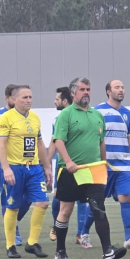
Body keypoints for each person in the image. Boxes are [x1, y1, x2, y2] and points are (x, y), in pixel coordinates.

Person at [51, 78, 126, 259]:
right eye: (82, 89)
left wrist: (103, 164)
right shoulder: (66, 115)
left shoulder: (96, 115)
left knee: (99, 209)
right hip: (70, 171)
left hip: (93, 172)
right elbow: (58, 141)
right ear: (73, 93)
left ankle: (107, 251)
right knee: (66, 211)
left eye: (88, 89)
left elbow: (101, 143)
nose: (86, 92)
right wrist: (68, 161)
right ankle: (60, 250)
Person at [0, 85, 52, 258]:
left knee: (43, 202)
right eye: (24, 97)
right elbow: (0, 144)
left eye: (30, 97)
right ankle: (10, 245)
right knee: (12, 207)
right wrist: (5, 169)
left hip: (34, 168)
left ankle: (32, 242)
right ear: (14, 100)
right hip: (15, 167)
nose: (29, 100)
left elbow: (40, 143)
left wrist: (47, 166)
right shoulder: (6, 118)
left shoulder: (35, 118)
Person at [88, 80, 130, 250]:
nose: (121, 90)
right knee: (97, 201)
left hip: (123, 164)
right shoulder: (98, 111)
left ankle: (129, 238)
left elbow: (129, 137)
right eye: (117, 87)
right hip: (103, 165)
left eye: (123, 87)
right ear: (108, 92)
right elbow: (93, 137)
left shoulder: (127, 113)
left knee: (126, 198)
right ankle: (83, 233)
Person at [0, 84, 27, 246]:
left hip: (26, 165)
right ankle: (13, 233)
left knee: (28, 198)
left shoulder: (27, 115)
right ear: (8, 99)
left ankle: (11, 221)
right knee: (8, 199)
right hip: (5, 165)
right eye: (14, 97)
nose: (17, 100)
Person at [48, 86, 73, 243]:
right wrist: (46, 165)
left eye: (57, 99)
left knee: (85, 201)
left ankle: (82, 233)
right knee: (59, 197)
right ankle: (56, 226)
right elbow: (54, 142)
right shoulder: (58, 119)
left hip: (83, 165)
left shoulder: (86, 115)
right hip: (64, 166)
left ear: (65, 101)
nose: (54, 102)